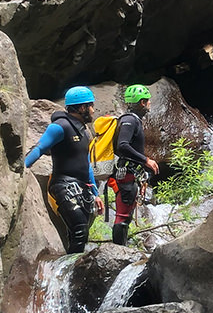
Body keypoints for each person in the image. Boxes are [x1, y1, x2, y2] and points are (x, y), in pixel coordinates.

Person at [25, 86, 101, 254]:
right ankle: (72, 267)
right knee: (79, 229)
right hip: (63, 185)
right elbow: (39, 148)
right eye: (91, 106)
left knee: (81, 232)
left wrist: (96, 193)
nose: (93, 110)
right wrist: (23, 167)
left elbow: (86, 164)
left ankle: (70, 263)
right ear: (82, 108)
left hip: (82, 187)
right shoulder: (60, 126)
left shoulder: (84, 131)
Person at [111, 83, 159, 245]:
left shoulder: (132, 120)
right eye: (148, 100)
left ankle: (121, 248)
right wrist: (146, 160)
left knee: (126, 214)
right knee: (123, 215)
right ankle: (119, 250)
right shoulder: (130, 121)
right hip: (126, 173)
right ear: (142, 103)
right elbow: (123, 145)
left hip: (130, 172)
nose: (150, 103)